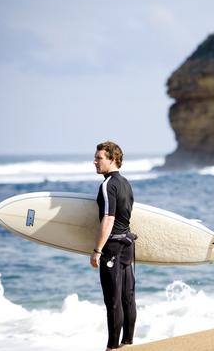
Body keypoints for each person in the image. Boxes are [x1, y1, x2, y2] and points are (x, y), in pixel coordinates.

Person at [91, 141, 136, 350]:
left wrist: (97, 250)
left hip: (113, 248)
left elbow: (108, 219)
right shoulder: (126, 183)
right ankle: (127, 343)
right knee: (128, 296)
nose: (95, 162)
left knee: (113, 299)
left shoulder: (108, 184)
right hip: (128, 245)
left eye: (99, 158)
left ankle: (112, 347)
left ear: (112, 159)